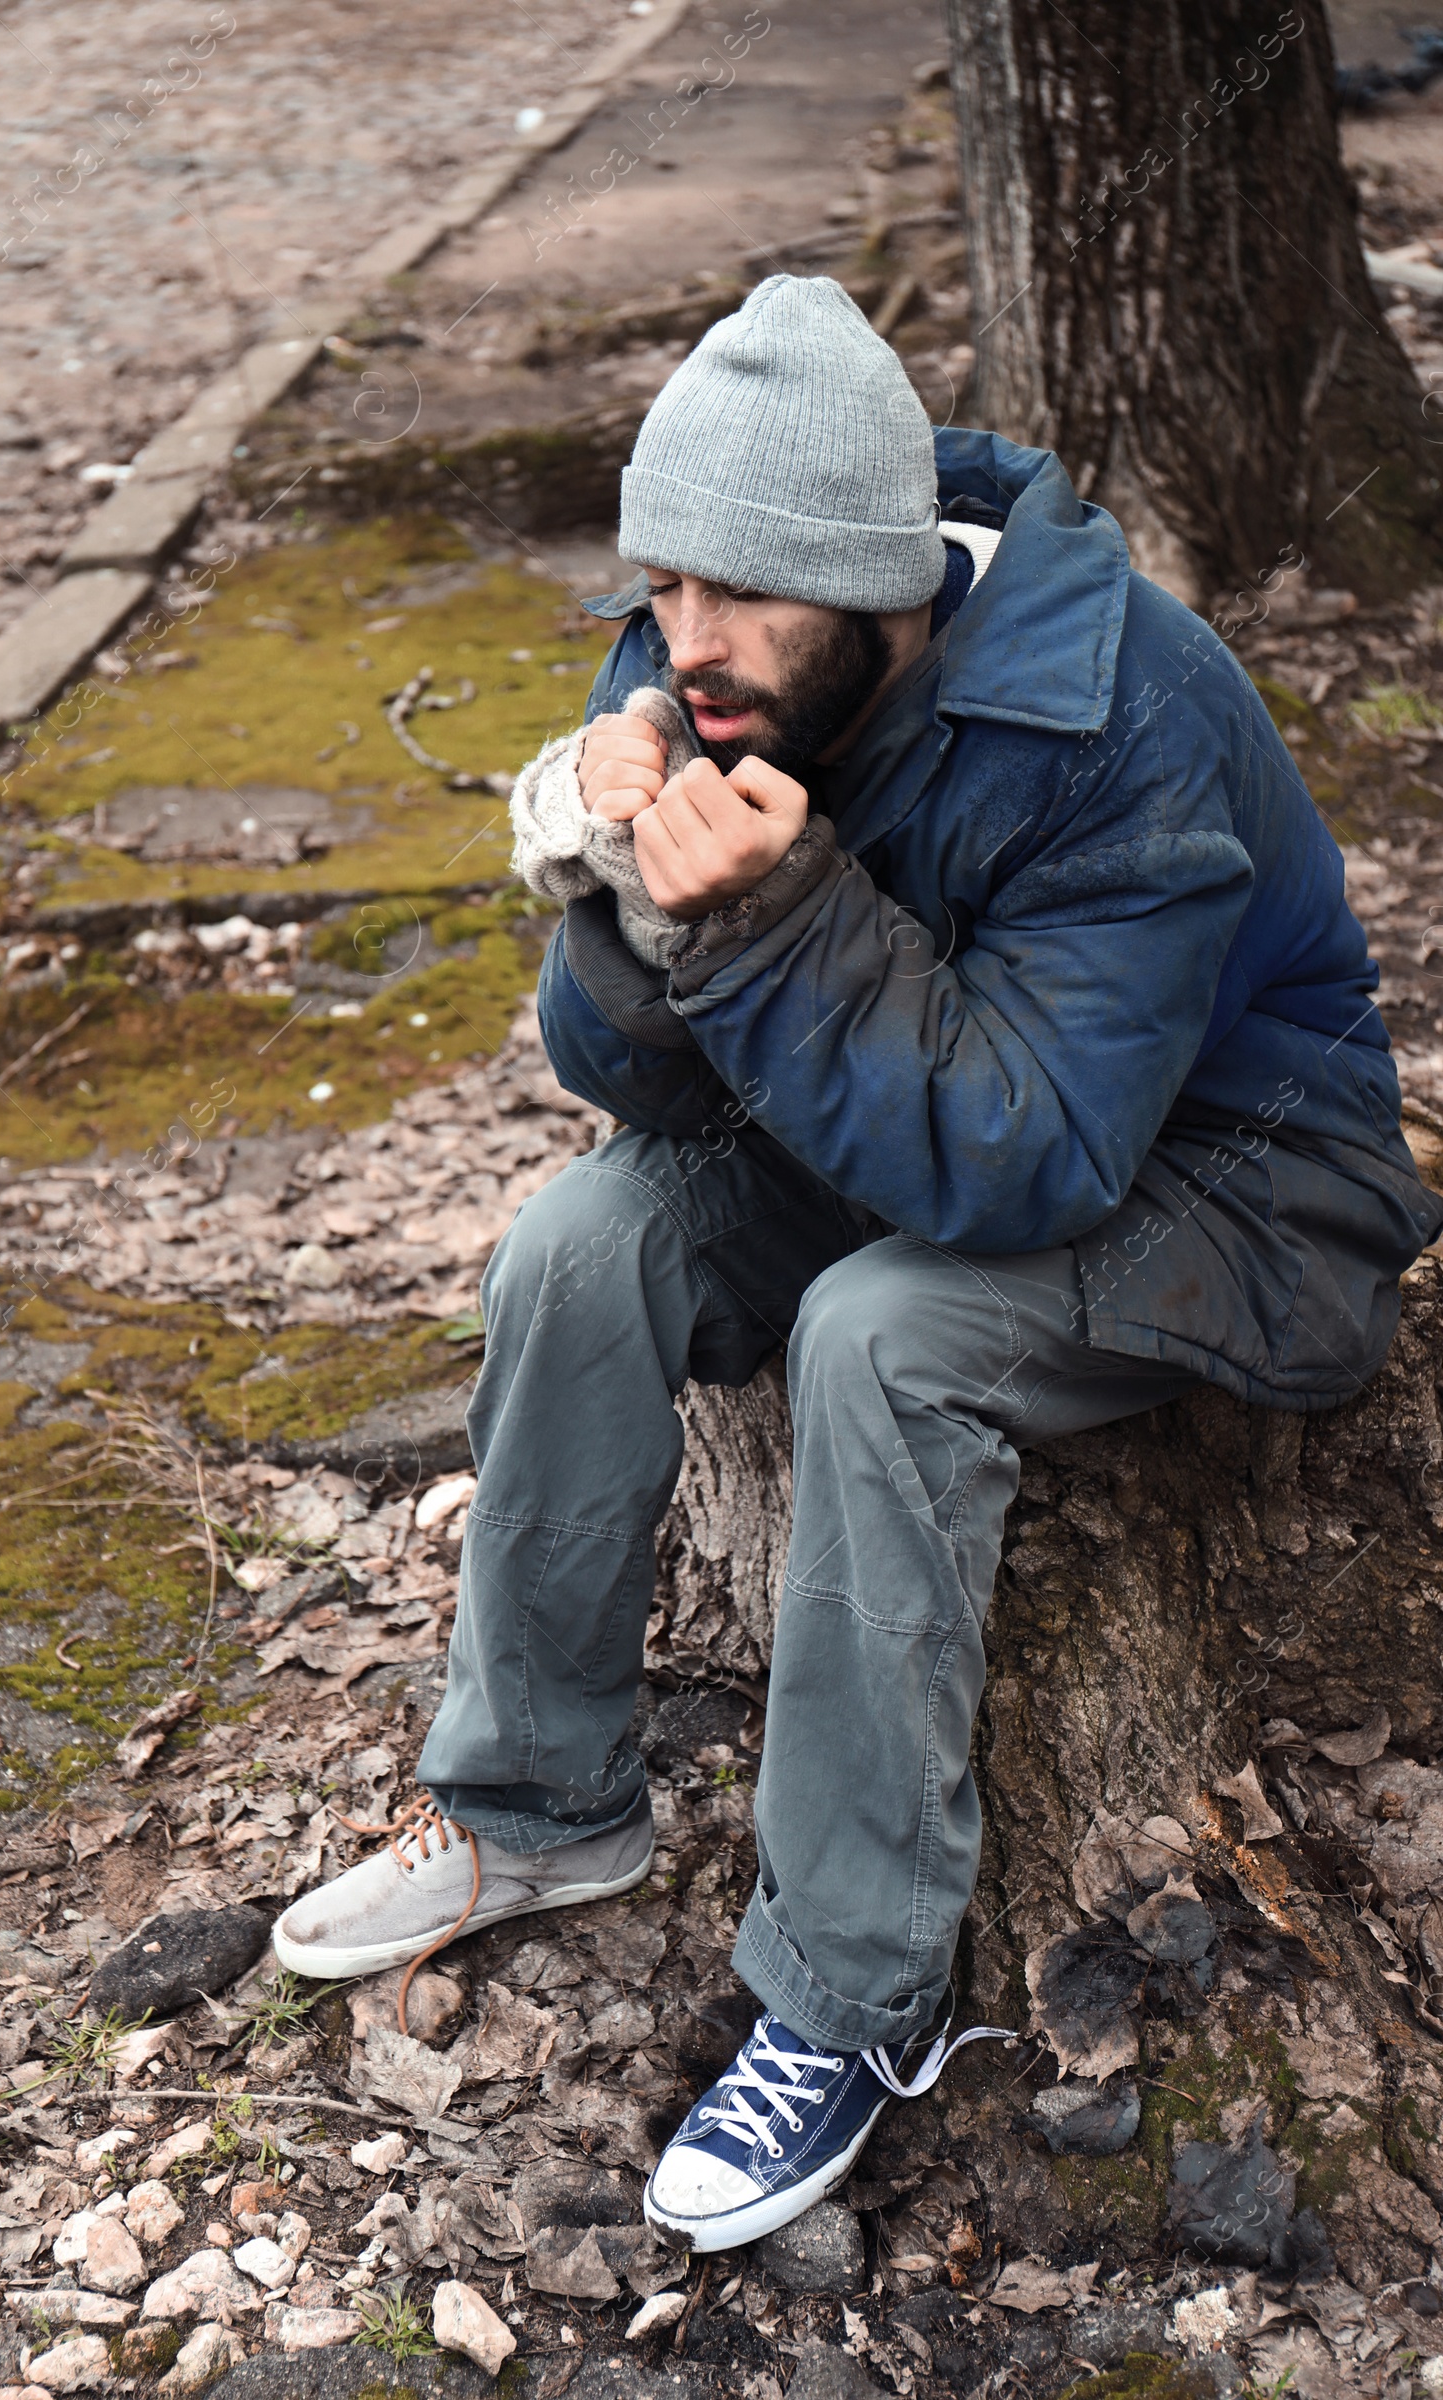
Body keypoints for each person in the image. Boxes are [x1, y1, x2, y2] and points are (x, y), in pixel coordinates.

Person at [274, 275, 1441, 2253]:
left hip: (1232, 1179)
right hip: (918, 1115)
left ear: (876, 582)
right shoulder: (701, 667)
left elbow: (1029, 1155)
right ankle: (535, 1806)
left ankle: (846, 1992)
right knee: (580, 1242)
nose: (684, 645)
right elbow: (615, 1082)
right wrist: (625, 906)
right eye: (657, 588)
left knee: (879, 1334)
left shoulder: (1112, 709)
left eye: (737, 601)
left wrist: (772, 911)